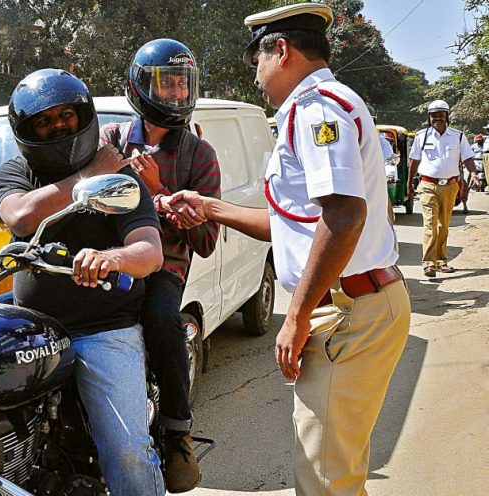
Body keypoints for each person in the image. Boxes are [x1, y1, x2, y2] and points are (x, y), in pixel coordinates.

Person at [160, 4, 411, 495]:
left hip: (346, 310)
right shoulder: (314, 106)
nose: (255, 75)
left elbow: (342, 217)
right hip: (351, 305)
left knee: (324, 483)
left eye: (258, 60)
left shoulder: (317, 108)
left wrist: (294, 317)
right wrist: (211, 208)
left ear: (282, 50)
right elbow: (296, 225)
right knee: (336, 474)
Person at [0, 68, 165, 496]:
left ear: (82, 115)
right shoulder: (16, 172)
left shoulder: (120, 178)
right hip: (31, 330)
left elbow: (149, 251)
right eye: (44, 120)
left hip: (102, 330)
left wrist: (112, 258)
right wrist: (85, 179)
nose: (57, 125)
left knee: (126, 447)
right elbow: (18, 216)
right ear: (27, 131)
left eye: (65, 114)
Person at [99, 38, 221, 493]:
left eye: (180, 84)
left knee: (163, 320)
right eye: (165, 83)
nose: (174, 94)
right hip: (114, 260)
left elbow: (206, 241)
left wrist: (160, 192)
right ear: (140, 86)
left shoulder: (198, 155)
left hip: (164, 267)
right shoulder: (109, 141)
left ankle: (177, 433)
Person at [408, 100, 478, 277]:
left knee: (443, 225)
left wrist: (474, 173)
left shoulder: (458, 136)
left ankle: (441, 261)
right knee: (430, 224)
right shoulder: (421, 136)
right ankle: (428, 263)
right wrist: (409, 183)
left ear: (447, 116)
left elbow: (468, 157)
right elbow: (414, 161)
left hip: (450, 186)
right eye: (433, 115)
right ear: (429, 118)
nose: (437, 118)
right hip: (427, 185)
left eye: (440, 114)